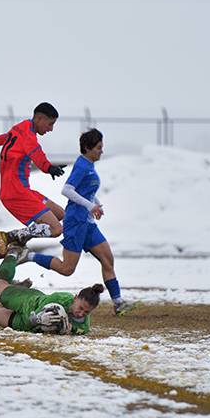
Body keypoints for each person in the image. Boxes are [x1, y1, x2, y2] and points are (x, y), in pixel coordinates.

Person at [19, 128, 136, 316]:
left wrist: (96, 204)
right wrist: (90, 206)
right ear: (88, 148)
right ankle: (27, 256)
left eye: (102, 147)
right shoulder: (82, 166)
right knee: (67, 269)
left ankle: (118, 302)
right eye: (98, 147)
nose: (101, 151)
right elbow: (67, 190)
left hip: (87, 223)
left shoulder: (89, 165)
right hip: (75, 221)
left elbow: (85, 191)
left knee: (107, 259)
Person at [0, 102, 67, 256]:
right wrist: (48, 168)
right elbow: (37, 154)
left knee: (62, 215)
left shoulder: (22, 127)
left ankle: (16, 240)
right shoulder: (29, 137)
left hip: (22, 191)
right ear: (39, 118)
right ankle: (13, 236)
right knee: (56, 229)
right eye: (50, 124)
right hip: (16, 194)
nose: (51, 129)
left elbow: (5, 138)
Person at [0, 244, 103, 335]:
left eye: (87, 312)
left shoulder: (83, 327)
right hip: (28, 302)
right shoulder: (60, 298)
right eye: (81, 308)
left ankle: (16, 287)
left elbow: (69, 333)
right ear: (75, 298)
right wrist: (38, 319)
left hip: (28, 326)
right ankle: (13, 252)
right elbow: (36, 314)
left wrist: (66, 331)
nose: (81, 313)